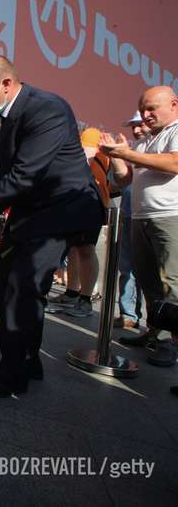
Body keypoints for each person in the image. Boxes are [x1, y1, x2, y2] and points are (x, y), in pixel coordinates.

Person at [0, 56, 103, 398]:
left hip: (60, 209)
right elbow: (4, 174)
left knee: (22, 286)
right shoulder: (2, 120)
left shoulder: (47, 108)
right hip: (31, 211)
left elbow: (26, 173)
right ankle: (24, 360)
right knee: (0, 278)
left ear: (6, 84)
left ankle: (13, 376)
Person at [102, 86, 178, 374]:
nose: (145, 115)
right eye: (142, 108)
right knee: (149, 281)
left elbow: (174, 163)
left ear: (173, 105)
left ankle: (171, 342)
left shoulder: (175, 132)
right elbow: (125, 180)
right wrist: (118, 158)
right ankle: (155, 332)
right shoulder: (146, 141)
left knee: (172, 284)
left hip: (170, 217)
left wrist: (129, 154)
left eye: (151, 108)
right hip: (140, 217)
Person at [47, 128, 110, 318]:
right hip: (76, 201)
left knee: (85, 249)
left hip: (89, 201)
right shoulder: (75, 139)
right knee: (73, 249)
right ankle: (72, 293)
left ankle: (85, 299)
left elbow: (84, 159)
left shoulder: (90, 135)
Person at [114, 112, 147, 330]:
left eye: (140, 125)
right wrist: (117, 158)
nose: (136, 130)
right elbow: (123, 180)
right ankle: (128, 314)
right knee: (127, 267)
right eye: (133, 126)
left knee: (153, 273)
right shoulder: (136, 148)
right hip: (129, 212)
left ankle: (158, 326)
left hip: (154, 216)